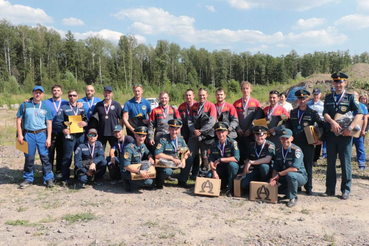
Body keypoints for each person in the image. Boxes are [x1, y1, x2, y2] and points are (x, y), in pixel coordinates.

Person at [323, 72, 363, 200]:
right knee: (330, 163)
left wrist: (350, 128)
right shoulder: (328, 98)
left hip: (345, 136)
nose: (338, 84)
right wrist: (332, 122)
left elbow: (359, 114)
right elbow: (325, 114)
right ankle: (330, 189)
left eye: (341, 82)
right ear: (333, 83)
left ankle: (345, 190)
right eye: (336, 81)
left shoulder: (351, 97)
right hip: (331, 135)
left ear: (345, 83)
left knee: (346, 163)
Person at [16, 85, 54, 188]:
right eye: (36, 92)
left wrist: (49, 137)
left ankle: (48, 178)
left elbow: (49, 123)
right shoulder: (25, 105)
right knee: (29, 157)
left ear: (42, 94)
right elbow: (19, 120)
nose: (38, 94)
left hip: (41, 134)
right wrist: (20, 134)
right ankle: (28, 178)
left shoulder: (46, 107)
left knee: (45, 157)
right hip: (28, 134)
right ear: (33, 93)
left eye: (40, 93)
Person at [287, 89, 323, 195]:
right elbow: (289, 124)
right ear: (297, 100)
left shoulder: (312, 113)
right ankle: (297, 187)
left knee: (308, 165)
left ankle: (309, 188)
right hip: (295, 144)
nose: (301, 100)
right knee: (295, 165)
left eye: (304, 98)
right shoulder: (293, 113)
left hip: (308, 143)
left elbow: (321, 126)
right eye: (299, 98)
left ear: (307, 99)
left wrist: (321, 139)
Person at [178, 88, 217, 187]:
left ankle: (202, 182)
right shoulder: (194, 106)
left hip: (205, 137)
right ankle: (183, 180)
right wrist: (194, 130)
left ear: (207, 95)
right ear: (198, 96)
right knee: (188, 156)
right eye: (200, 95)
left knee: (205, 157)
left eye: (203, 95)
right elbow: (189, 120)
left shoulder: (211, 106)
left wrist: (201, 131)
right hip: (193, 136)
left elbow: (212, 121)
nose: (202, 97)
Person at [55, 89, 88, 185]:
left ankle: (79, 175)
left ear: (77, 96)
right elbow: (58, 122)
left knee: (80, 156)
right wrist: (63, 129)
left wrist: (85, 123)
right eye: (70, 95)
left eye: (74, 95)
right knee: (67, 156)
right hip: (69, 136)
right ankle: (65, 177)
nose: (72, 97)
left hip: (80, 136)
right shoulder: (64, 108)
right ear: (68, 97)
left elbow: (87, 119)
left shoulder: (82, 108)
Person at [269, 129, 308, 207]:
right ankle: (288, 191)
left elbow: (294, 169)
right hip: (284, 176)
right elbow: (275, 168)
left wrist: (278, 175)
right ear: (280, 139)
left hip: (299, 176)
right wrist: (273, 179)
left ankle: (293, 197)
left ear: (291, 139)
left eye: (287, 138)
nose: (285, 140)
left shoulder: (296, 151)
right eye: (282, 138)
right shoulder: (278, 151)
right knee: (271, 185)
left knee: (291, 175)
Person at [233, 81, 263, 165]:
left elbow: (257, 118)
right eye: (243, 89)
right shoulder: (236, 103)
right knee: (240, 150)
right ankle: (240, 167)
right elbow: (234, 117)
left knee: (250, 151)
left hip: (251, 133)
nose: (245, 90)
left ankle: (249, 167)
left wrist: (250, 129)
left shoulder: (256, 103)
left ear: (251, 90)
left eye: (247, 88)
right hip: (239, 132)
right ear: (241, 90)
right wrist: (238, 128)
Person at [155, 119, 189, 189]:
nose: (174, 132)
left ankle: (182, 181)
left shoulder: (180, 140)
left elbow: (187, 151)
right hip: (165, 163)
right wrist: (172, 158)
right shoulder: (163, 140)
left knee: (190, 159)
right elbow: (157, 155)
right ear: (169, 129)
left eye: (176, 130)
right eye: (172, 129)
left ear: (179, 130)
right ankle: (159, 181)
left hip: (176, 161)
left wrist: (184, 159)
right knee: (168, 171)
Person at [208, 122, 239, 197]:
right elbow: (211, 160)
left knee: (233, 165)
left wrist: (221, 159)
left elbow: (236, 158)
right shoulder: (213, 145)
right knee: (209, 175)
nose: (220, 135)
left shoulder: (232, 143)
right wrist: (214, 173)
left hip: (229, 167)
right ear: (216, 133)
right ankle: (221, 186)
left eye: (222, 132)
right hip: (220, 168)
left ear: (227, 132)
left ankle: (231, 189)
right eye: (218, 132)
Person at [240, 125, 275, 192]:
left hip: (267, 171)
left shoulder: (270, 145)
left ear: (265, 135)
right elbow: (248, 158)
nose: (259, 137)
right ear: (254, 135)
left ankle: (264, 185)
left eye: (261, 135)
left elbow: (267, 160)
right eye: (257, 135)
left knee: (263, 166)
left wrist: (251, 162)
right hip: (255, 169)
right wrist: (245, 171)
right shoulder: (252, 145)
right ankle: (255, 186)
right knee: (244, 185)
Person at [43, 84, 68, 178]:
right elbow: (36, 104)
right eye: (54, 90)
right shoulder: (45, 103)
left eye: (58, 90)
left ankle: (59, 171)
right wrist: (28, 101)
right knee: (49, 153)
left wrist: (79, 104)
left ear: (61, 92)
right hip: (49, 132)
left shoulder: (66, 103)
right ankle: (48, 173)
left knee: (61, 153)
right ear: (51, 92)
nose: (56, 92)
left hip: (62, 131)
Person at [121, 126, 155, 192]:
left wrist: (150, 158)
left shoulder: (142, 145)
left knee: (152, 181)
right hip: (128, 171)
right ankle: (128, 182)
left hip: (137, 167)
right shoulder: (129, 148)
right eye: (139, 135)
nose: (141, 138)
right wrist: (140, 172)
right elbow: (126, 166)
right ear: (135, 135)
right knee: (148, 182)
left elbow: (148, 153)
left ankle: (135, 182)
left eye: (143, 136)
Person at [91, 86, 122, 150]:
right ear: (103, 93)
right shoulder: (98, 105)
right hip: (101, 132)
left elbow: (121, 119)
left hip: (114, 133)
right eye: (106, 92)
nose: (107, 94)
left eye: (109, 92)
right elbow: (94, 119)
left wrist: (120, 130)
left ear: (112, 94)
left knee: (115, 151)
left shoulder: (117, 105)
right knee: (100, 151)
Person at [307, 88, 325, 166]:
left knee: (318, 144)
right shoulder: (308, 104)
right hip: (310, 126)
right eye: (314, 94)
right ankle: (309, 158)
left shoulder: (323, 105)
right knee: (309, 143)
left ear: (320, 95)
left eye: (317, 95)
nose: (316, 96)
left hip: (319, 126)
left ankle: (315, 159)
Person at [352, 91, 368, 171]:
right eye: (353, 96)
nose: (354, 97)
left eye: (355, 96)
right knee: (346, 149)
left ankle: (361, 165)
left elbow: (365, 119)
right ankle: (344, 164)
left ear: (358, 97)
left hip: (358, 131)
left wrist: (363, 130)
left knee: (360, 148)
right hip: (349, 131)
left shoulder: (362, 106)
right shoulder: (348, 105)